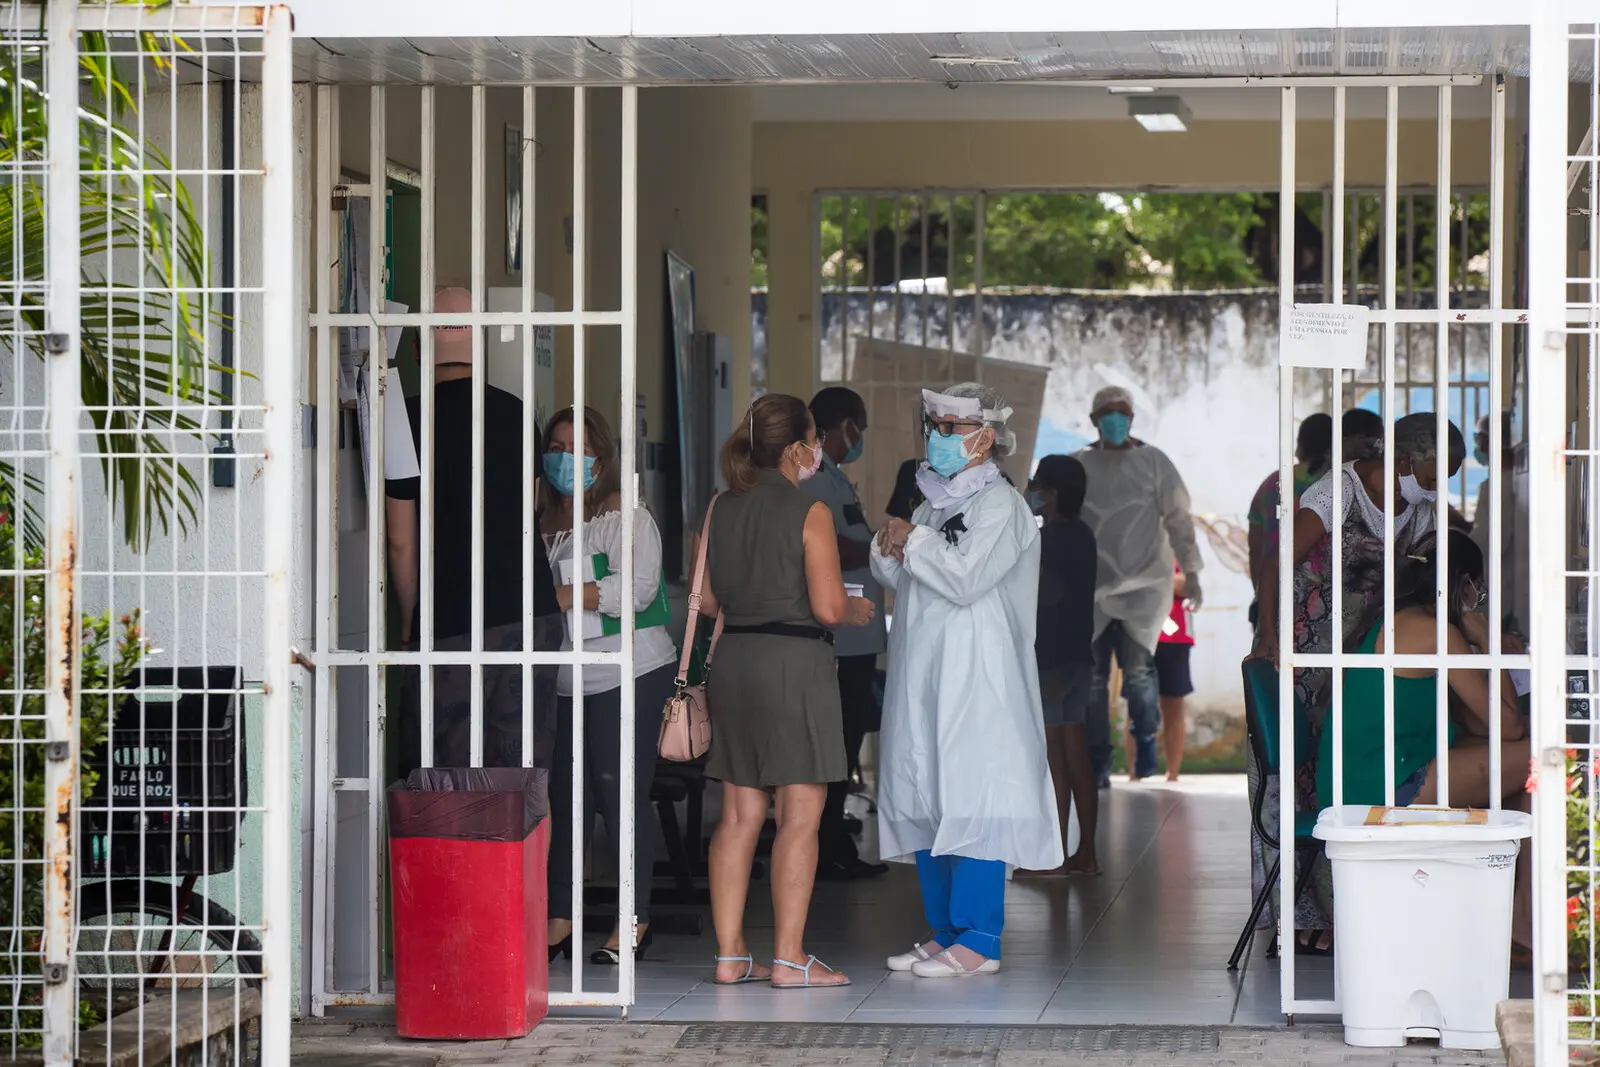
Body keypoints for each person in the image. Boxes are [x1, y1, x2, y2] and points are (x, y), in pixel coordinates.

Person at [1253, 410, 1465, 952]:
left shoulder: (1422, 511)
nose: (1444, 485)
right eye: (1440, 471)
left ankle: (1347, 912)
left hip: (1365, 668)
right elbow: (1281, 560)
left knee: (1344, 784)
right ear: (1403, 459)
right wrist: (1272, 633)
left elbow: (1447, 568)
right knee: (1297, 781)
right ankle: (1300, 918)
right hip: (1305, 660)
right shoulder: (1338, 492)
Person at [873, 384, 1061, 979]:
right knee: (930, 793)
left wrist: (914, 540)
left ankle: (980, 938)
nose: (939, 436)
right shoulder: (933, 501)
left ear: (986, 437)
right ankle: (946, 931)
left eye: (952, 427)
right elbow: (901, 572)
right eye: (935, 424)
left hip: (979, 678)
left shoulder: (1000, 506)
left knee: (975, 796)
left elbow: (965, 578)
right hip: (925, 673)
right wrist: (895, 543)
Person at [696, 393, 875, 989]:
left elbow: (713, 601)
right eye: (812, 441)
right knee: (799, 814)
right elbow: (826, 605)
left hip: (736, 661)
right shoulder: (810, 509)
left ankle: (729, 954)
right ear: (798, 447)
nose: (816, 451)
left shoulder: (722, 506)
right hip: (793, 664)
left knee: (739, 816)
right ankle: (791, 958)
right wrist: (855, 609)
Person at [385, 284, 563, 775]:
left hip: (449, 618)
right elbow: (528, 513)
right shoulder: (515, 414)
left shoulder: (405, 422)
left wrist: (409, 622)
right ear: (480, 343)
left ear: (418, 346)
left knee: (447, 780)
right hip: (528, 614)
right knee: (521, 777)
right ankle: (521, 856)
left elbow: (401, 542)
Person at [540, 407, 679, 965]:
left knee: (621, 797)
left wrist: (567, 596)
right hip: (563, 679)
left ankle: (633, 919)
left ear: (604, 457)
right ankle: (561, 916)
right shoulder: (542, 520)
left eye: (581, 447)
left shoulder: (625, 515)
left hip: (629, 672)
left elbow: (637, 590)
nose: (568, 458)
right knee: (564, 801)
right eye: (558, 446)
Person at [1317, 530, 1528, 811]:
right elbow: (1509, 728)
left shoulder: (1394, 617)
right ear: (1465, 585)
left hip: (1360, 779)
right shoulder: (1438, 633)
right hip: (1379, 787)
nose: (1477, 602)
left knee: (1522, 769)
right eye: (1479, 590)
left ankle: (1513, 855)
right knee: (1543, 756)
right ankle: (1530, 856)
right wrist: (1491, 641)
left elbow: (1479, 722)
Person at [1074, 386, 1203, 784]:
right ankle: (1097, 761)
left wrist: (1193, 571)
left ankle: (1145, 739)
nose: (1115, 418)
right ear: (1094, 419)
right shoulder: (1078, 465)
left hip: (1143, 589)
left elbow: (1179, 518)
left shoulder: (1153, 463)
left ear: (1132, 418)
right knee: (1093, 683)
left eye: (1122, 411)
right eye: (1107, 412)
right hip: (1091, 590)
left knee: (1140, 675)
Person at [802, 387, 890, 882]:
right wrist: (877, 549)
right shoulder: (815, 481)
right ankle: (829, 845)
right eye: (858, 428)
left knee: (848, 743)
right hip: (840, 637)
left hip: (857, 638)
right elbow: (824, 543)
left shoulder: (836, 478)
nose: (859, 439)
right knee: (836, 746)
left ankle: (835, 838)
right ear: (844, 426)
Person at [1028, 454, 1101, 876]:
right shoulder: (1084, 534)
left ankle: (1055, 855)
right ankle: (1086, 853)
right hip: (1078, 656)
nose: (1034, 492)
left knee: (1056, 758)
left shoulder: (1049, 539)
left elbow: (1042, 594)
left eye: (1038, 485)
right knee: (1077, 755)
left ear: (1051, 494)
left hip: (1051, 659)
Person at [1247, 413, 1333, 619]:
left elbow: (1255, 548)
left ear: (1301, 445)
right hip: (1323, 601)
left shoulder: (1273, 483)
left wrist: (1260, 594)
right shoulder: (1336, 483)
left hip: (1274, 595)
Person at [1469, 411, 1526, 632]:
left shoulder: (1496, 486)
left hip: (1499, 586)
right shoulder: (1520, 480)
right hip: (1516, 585)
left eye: (1479, 437)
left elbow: (1488, 541)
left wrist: (1452, 541)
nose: (1478, 445)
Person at [1155, 562, 1193, 782]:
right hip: (1140, 633)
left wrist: (1153, 577)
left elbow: (1187, 585)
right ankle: (1134, 772)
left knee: (1174, 705)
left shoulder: (1182, 550)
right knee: (1137, 702)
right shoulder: (1136, 543)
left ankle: (1172, 772)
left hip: (1176, 637)